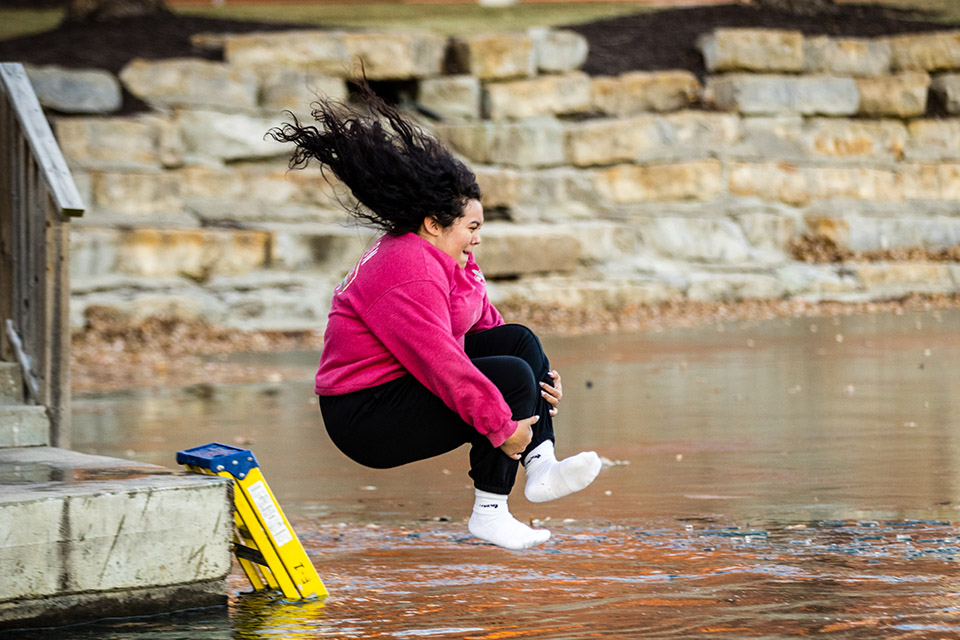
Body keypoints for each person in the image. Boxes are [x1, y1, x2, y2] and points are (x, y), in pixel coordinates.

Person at [269, 85, 602, 551]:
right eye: (472, 228)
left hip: (403, 384)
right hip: (363, 417)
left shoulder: (448, 260)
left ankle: (541, 466)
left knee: (521, 347)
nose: (477, 240)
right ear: (433, 224)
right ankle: (491, 512)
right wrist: (503, 428)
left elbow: (490, 330)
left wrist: (540, 393)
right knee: (507, 377)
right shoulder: (407, 270)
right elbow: (441, 362)